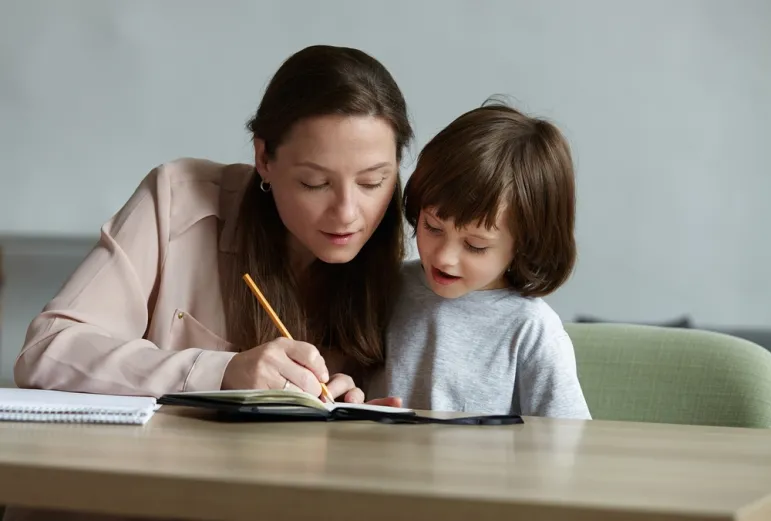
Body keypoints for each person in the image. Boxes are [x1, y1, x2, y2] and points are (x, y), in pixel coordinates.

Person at [13, 45, 412, 407]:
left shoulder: (422, 243)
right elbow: (46, 351)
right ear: (264, 159)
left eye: (371, 182)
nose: (347, 213)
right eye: (315, 182)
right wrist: (222, 372)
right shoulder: (178, 199)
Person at [366, 101, 592, 419]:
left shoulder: (531, 330)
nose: (444, 257)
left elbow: (568, 444)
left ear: (524, 245)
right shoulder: (385, 289)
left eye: (475, 245)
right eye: (432, 226)